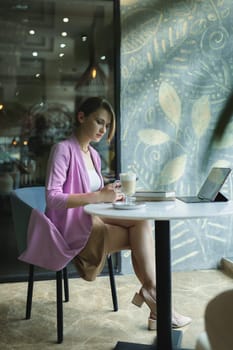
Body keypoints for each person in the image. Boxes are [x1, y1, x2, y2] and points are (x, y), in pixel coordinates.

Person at [45, 96, 191, 330]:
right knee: (138, 237)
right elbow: (52, 198)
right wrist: (98, 196)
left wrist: (110, 193)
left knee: (141, 223)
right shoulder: (62, 150)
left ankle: (155, 300)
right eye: (99, 122)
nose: (103, 129)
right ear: (81, 117)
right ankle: (159, 304)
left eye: (107, 125)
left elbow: (94, 193)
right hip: (70, 226)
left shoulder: (92, 154)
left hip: (92, 216)